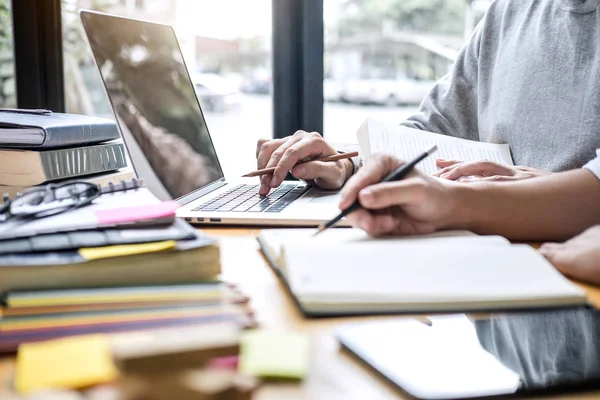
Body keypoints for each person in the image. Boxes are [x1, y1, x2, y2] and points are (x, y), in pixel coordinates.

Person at [255, 0, 600, 196]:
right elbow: (434, 131)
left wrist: (545, 195)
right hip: (496, 298)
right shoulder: (507, 13)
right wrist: (351, 164)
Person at [337, 150, 600, 285]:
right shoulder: (490, 44)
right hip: (501, 327)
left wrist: (453, 202)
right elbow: (430, 121)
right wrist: (351, 162)